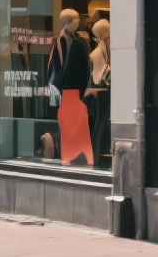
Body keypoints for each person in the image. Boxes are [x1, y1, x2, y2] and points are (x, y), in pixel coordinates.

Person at [47, 9, 94, 166]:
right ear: (67, 21)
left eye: (77, 19)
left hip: (77, 91)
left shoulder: (79, 40)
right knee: (70, 123)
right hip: (67, 91)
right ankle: (68, 155)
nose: (78, 21)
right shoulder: (61, 41)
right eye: (74, 19)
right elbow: (56, 67)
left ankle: (82, 154)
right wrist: (57, 88)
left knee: (79, 122)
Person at [84, 19, 112, 169]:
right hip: (103, 91)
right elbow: (97, 75)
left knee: (103, 122)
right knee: (102, 122)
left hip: (105, 91)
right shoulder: (97, 53)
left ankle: (99, 154)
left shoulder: (104, 49)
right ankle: (97, 156)